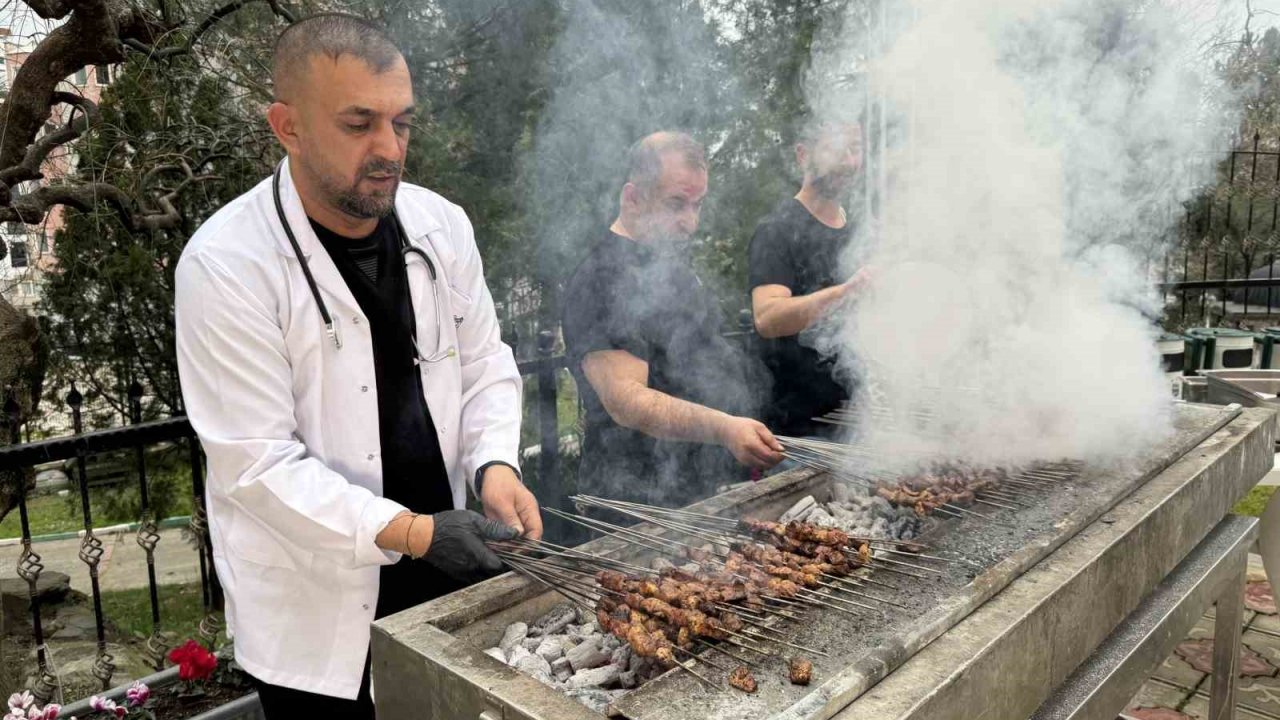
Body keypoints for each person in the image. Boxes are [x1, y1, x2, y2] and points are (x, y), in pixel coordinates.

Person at [173, 14, 541, 719]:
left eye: (401, 123)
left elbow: (486, 363)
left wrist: (495, 465)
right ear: (288, 126)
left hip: (449, 578)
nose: (388, 150)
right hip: (316, 619)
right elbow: (256, 466)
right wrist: (415, 533)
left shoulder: (442, 226)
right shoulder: (226, 265)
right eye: (359, 123)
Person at [561, 132, 783, 510]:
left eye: (697, 205)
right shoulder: (601, 277)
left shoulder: (668, 263)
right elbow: (626, 401)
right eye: (676, 204)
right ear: (632, 198)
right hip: (637, 504)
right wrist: (725, 428)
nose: (690, 222)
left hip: (702, 491)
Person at [749, 120, 870, 438]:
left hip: (858, 422)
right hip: (797, 432)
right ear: (803, 155)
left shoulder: (860, 230)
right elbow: (767, 317)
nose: (848, 161)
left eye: (854, 149)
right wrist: (845, 293)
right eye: (835, 148)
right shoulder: (777, 230)